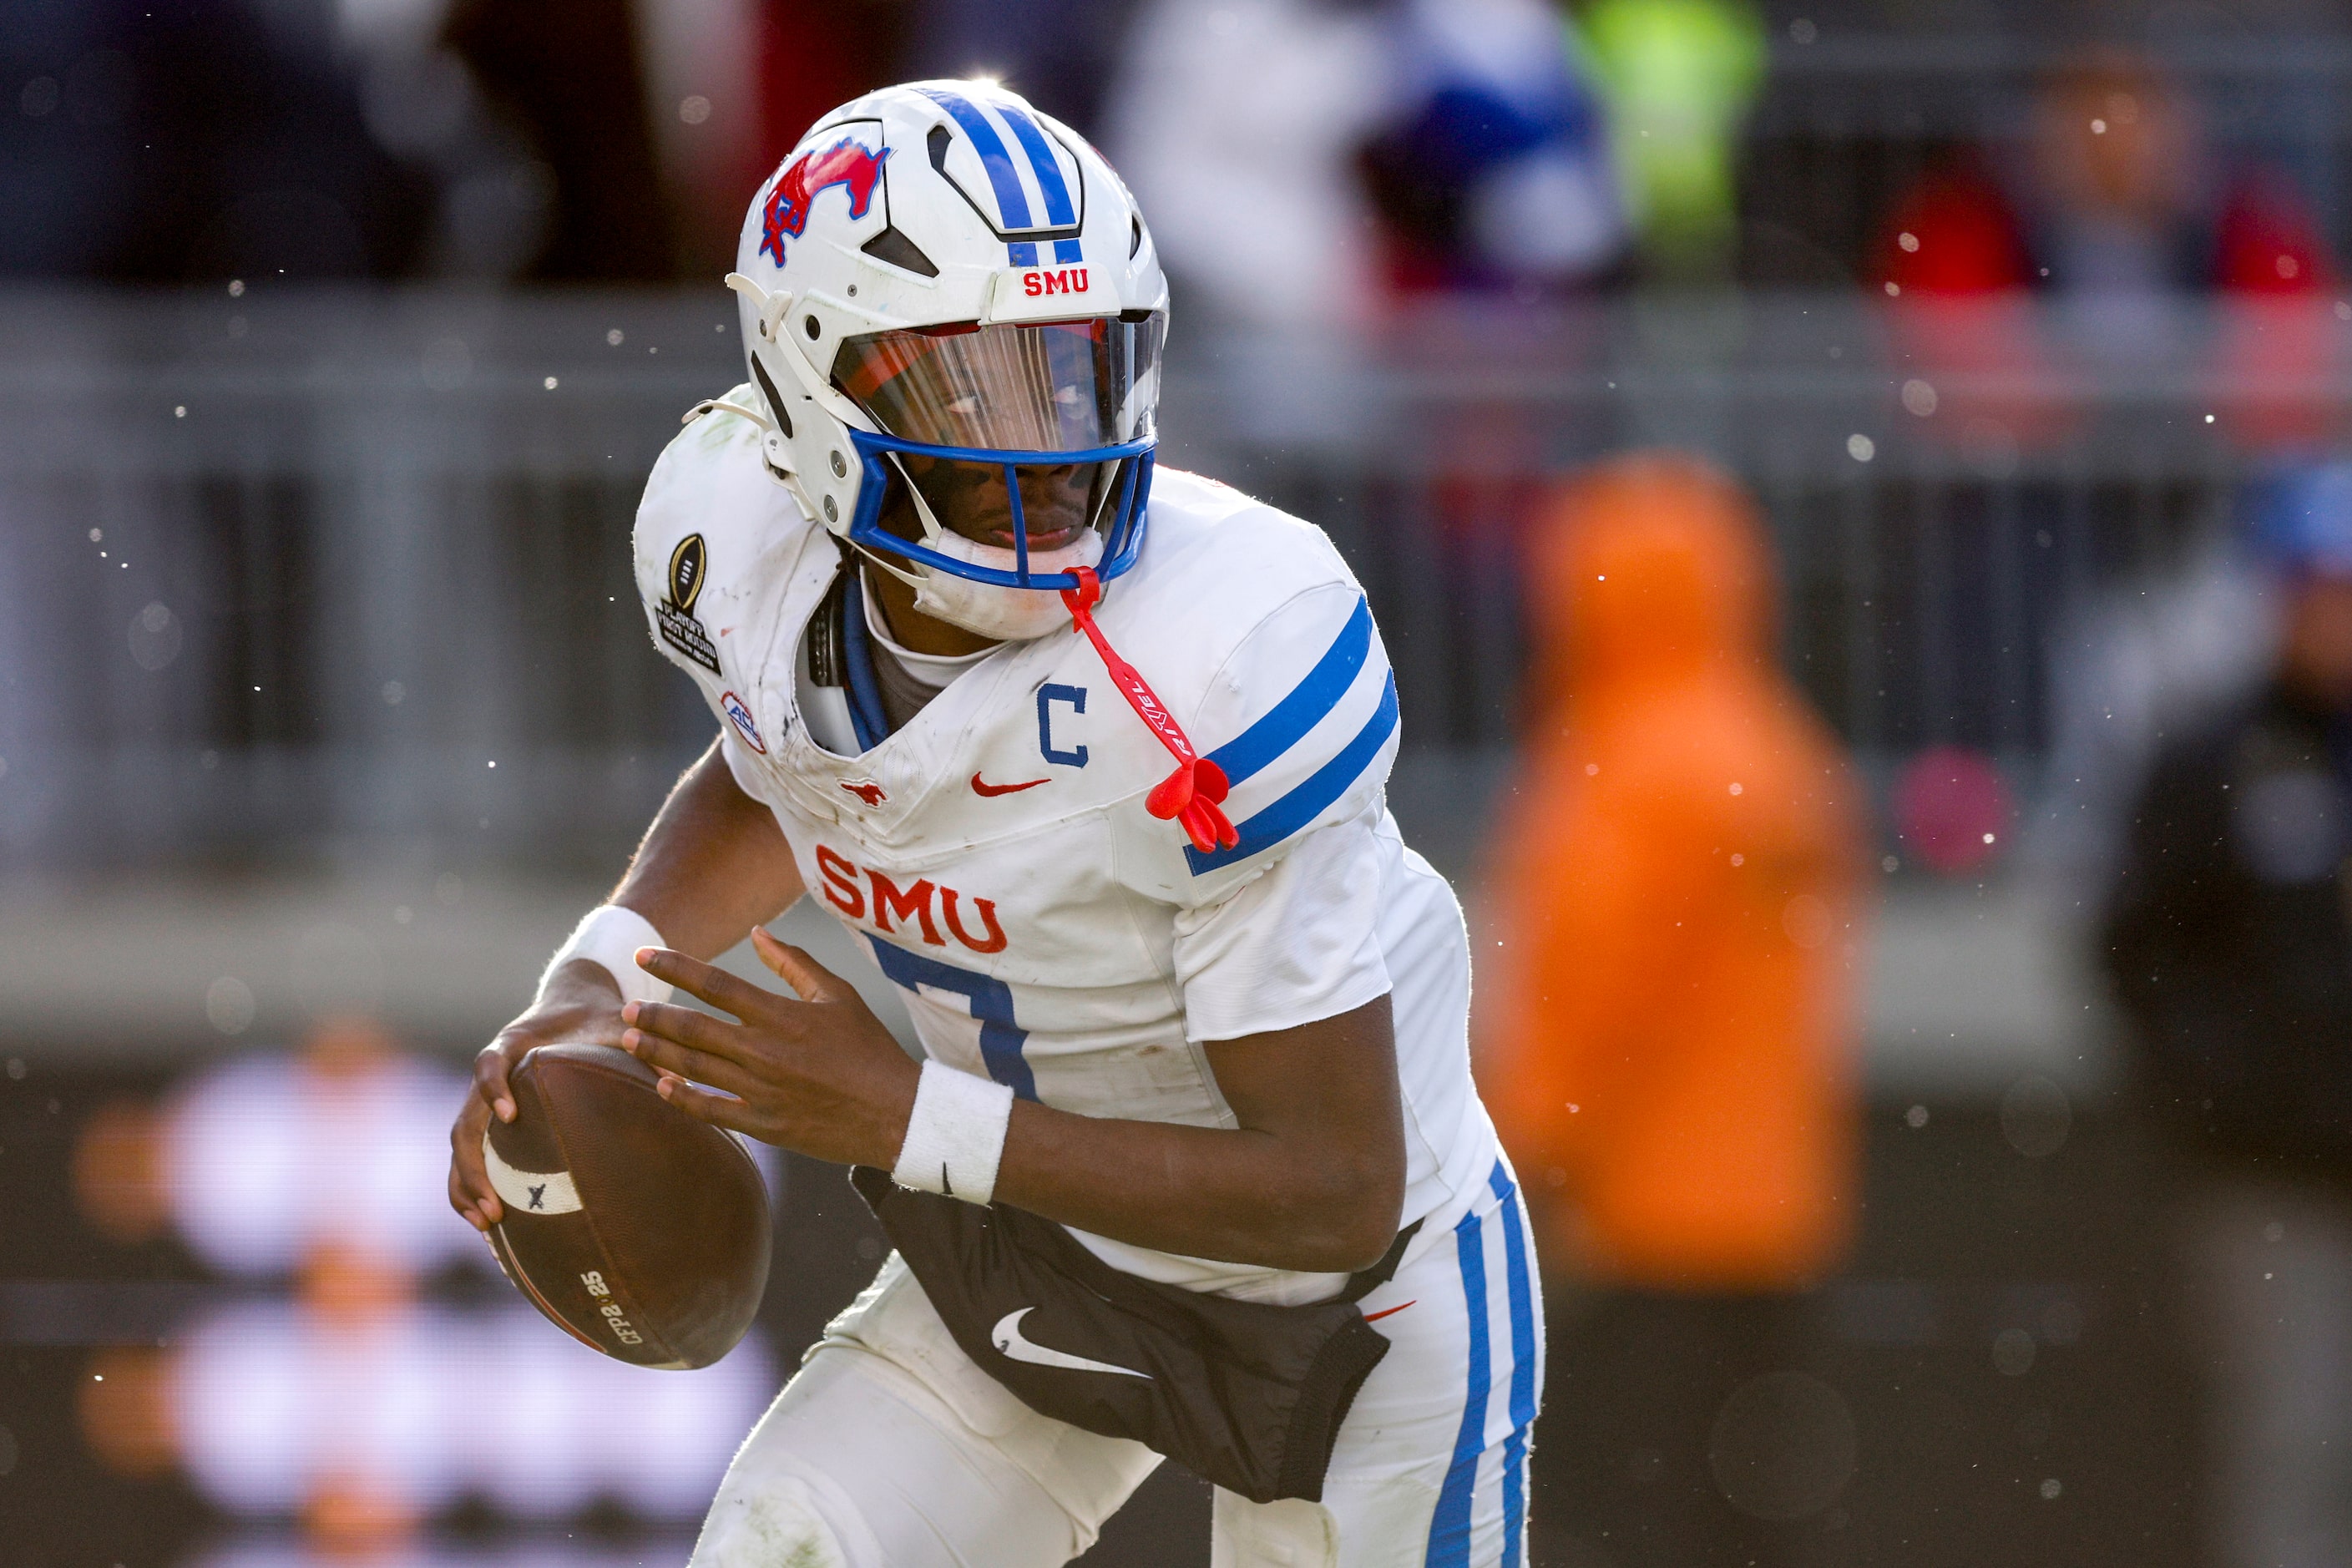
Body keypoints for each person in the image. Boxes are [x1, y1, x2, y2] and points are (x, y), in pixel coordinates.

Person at [445, 79, 1538, 1568]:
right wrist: (605, 964)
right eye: (963, 389)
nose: (1043, 446)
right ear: (809, 399)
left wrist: (902, 1118)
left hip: (1360, 1309)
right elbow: (777, 757)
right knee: (779, 1545)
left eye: (1073, 374)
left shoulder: (1224, 652)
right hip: (1044, 1241)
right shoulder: (737, 547)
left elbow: (1332, 1190)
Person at [1475, 455, 1863, 1565]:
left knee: (1629, 1511)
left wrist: (1536, 1147)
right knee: (1746, 1510)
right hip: (1773, 1204)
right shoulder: (1780, 746)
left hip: (1636, 1211)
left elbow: (1594, 990)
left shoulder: (1624, 760)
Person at [2101, 462, 2352, 1568]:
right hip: (2277, 1174)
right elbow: (2137, 944)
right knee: (2292, 1442)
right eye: (2317, 589)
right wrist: (2228, 1083)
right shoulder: (2215, 760)